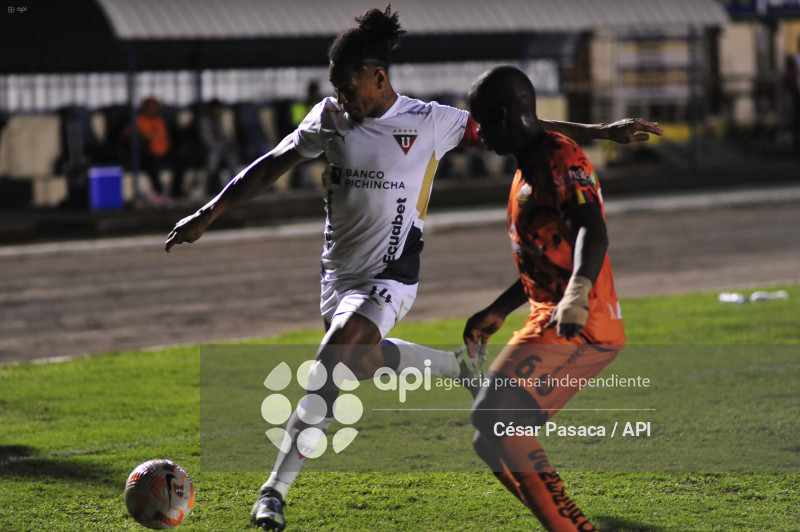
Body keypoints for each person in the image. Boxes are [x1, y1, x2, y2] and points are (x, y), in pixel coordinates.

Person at [164, 7, 660, 531]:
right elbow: (271, 163)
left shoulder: (430, 121)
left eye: (348, 85)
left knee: (334, 358)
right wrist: (207, 214)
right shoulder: (328, 118)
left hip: (392, 275)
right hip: (338, 277)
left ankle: (274, 492)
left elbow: (524, 123)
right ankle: (456, 368)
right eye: (335, 86)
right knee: (358, 362)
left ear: (378, 78)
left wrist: (600, 131)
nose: (341, 95)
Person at [463, 65, 630, 531]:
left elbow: (592, 230)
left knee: (495, 416)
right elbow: (548, 255)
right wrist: (497, 310)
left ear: (502, 115)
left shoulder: (560, 158)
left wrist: (577, 293)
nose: (478, 134)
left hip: (582, 321)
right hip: (550, 316)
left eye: (482, 122)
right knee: (489, 437)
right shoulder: (528, 165)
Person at [199, 99, 240, 196]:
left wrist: (230, 144)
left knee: (232, 155)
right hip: (208, 149)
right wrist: (222, 145)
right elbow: (207, 141)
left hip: (222, 148)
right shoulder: (204, 121)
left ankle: (234, 183)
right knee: (214, 155)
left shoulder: (220, 120)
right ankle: (211, 184)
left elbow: (224, 137)